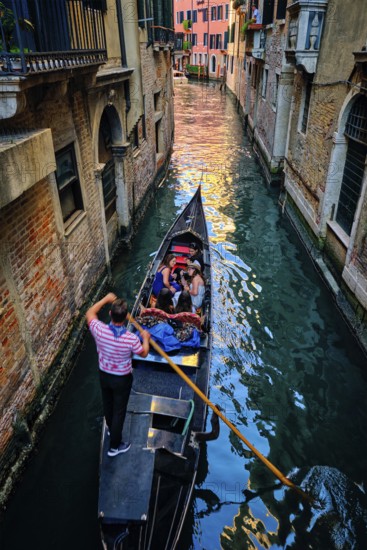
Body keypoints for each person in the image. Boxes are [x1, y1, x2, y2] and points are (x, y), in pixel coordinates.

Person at [86, 293, 150, 457]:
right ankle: (115, 447)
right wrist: (146, 338)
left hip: (104, 375)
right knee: (119, 411)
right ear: (126, 318)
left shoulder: (99, 330)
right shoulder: (131, 339)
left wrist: (105, 299)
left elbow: (89, 314)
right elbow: (143, 353)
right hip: (121, 379)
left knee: (108, 404)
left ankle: (110, 432)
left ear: (110, 314)